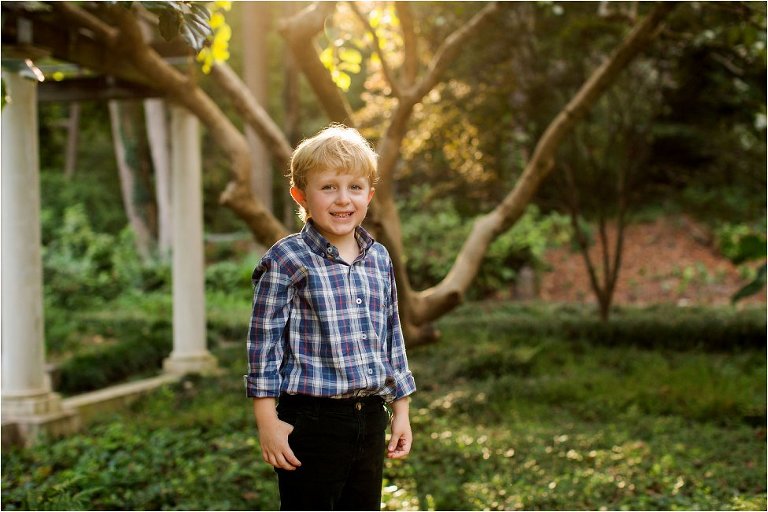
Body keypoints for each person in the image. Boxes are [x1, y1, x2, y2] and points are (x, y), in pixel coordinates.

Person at [244, 124, 417, 511]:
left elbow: (392, 335)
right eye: (328, 187)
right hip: (310, 421)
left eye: (354, 187)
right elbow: (263, 346)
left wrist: (400, 410)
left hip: (370, 418)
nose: (343, 199)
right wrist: (267, 422)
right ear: (301, 195)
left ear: (369, 195)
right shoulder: (287, 260)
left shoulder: (379, 258)